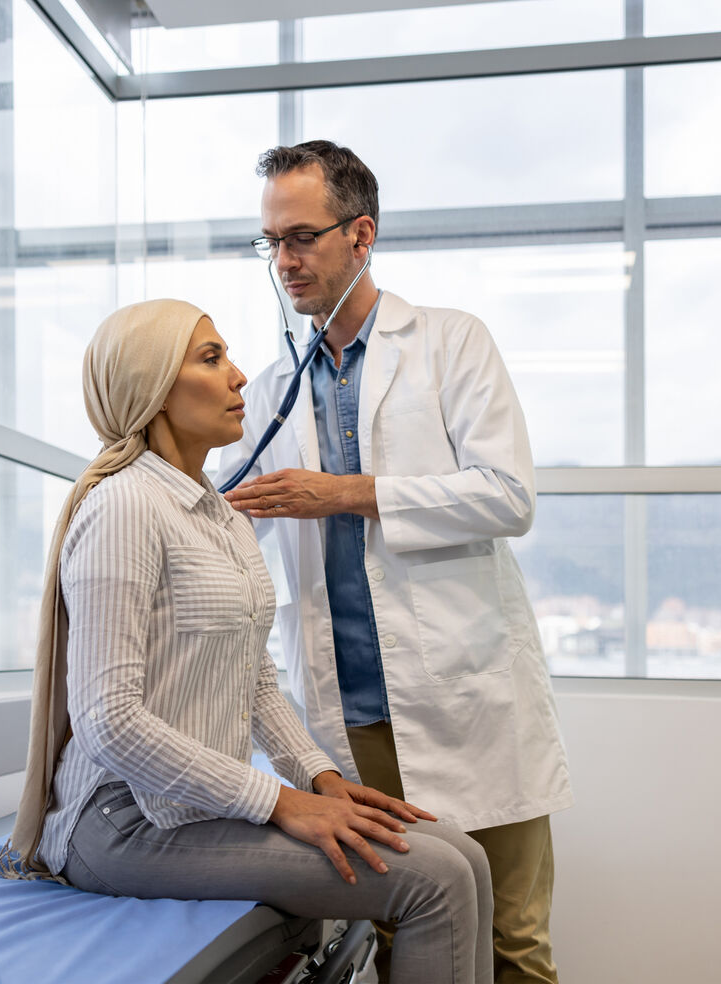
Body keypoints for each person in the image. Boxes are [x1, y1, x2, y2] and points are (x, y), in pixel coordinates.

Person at [0, 298, 493, 984]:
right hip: (121, 824)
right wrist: (282, 803)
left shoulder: (219, 515)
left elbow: (253, 674)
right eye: (211, 358)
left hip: (193, 810)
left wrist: (319, 778)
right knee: (432, 879)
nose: (238, 378)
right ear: (153, 389)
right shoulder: (123, 506)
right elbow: (107, 721)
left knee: (463, 857)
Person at [219, 141, 572, 984]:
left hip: (468, 697)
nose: (284, 261)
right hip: (348, 716)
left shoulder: (451, 344)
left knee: (513, 941)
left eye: (301, 237)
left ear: (361, 234)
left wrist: (344, 494)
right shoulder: (272, 388)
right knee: (397, 933)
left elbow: (506, 496)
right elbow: (231, 525)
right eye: (270, 242)